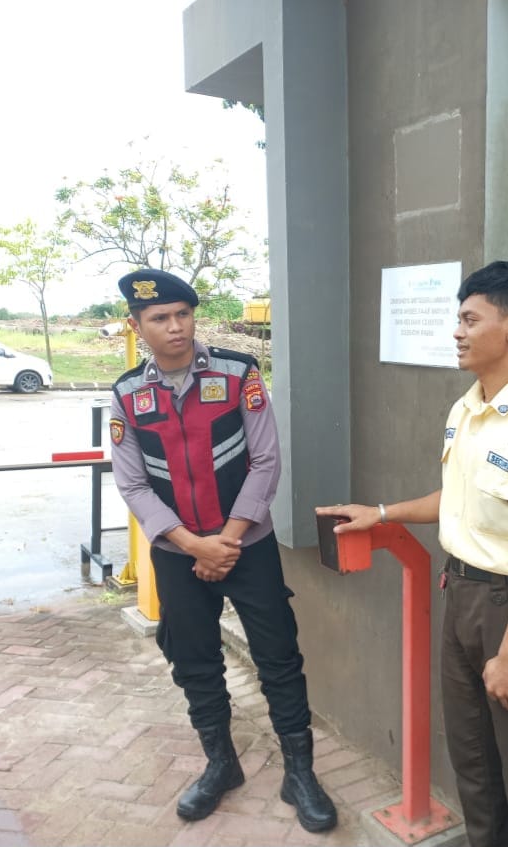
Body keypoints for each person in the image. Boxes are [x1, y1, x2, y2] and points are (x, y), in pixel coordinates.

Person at [317, 261, 508, 847]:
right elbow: (456, 499)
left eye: (469, 319)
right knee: (473, 763)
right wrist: (382, 512)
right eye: (457, 320)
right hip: (459, 594)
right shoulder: (465, 410)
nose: (457, 332)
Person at [109, 268, 337, 832]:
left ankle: (300, 773)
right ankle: (221, 764)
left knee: (279, 658)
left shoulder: (238, 374)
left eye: (183, 314)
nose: (175, 326)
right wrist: (193, 546)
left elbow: (266, 461)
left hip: (248, 547)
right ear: (137, 327)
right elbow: (132, 484)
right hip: (178, 554)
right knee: (194, 661)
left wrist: (226, 542)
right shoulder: (127, 394)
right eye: (160, 318)